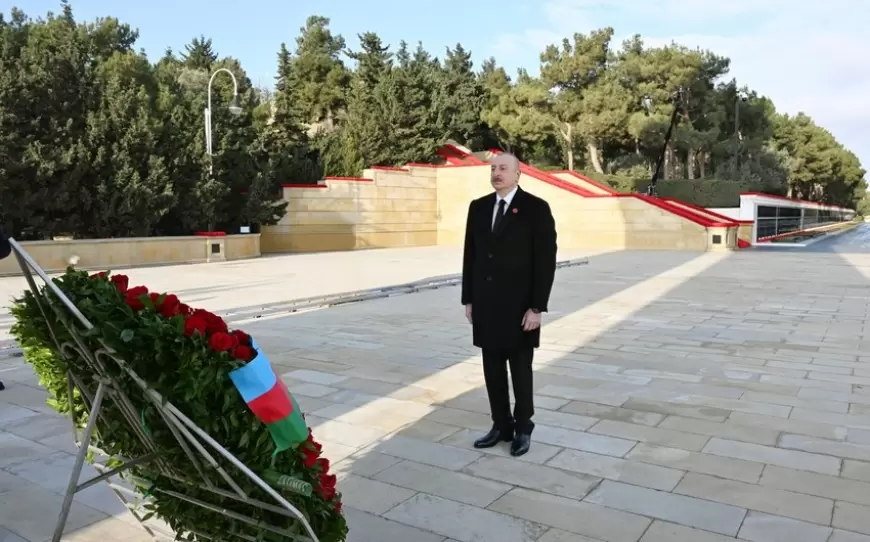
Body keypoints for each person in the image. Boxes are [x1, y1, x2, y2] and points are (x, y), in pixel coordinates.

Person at [461, 152, 557, 457]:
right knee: (492, 369)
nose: (496, 173)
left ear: (517, 174)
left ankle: (523, 427)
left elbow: (545, 262)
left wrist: (537, 307)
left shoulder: (536, 208)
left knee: (520, 369)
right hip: (486, 305)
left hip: (520, 308)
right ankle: (500, 424)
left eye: (503, 168)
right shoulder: (478, 207)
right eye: (493, 168)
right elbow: (470, 256)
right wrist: (469, 299)